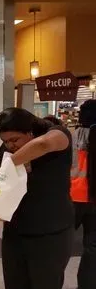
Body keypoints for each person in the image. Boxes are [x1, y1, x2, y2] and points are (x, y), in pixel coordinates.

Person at [0, 107, 74, 289]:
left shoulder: (57, 134)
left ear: (30, 131)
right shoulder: (7, 148)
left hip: (51, 233)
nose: (10, 146)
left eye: (14, 140)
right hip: (15, 233)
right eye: (5, 141)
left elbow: (43, 145)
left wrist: (11, 164)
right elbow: (2, 183)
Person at [70, 99, 96, 289]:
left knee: (59, 245)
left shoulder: (70, 136)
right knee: (93, 248)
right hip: (94, 200)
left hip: (70, 198)